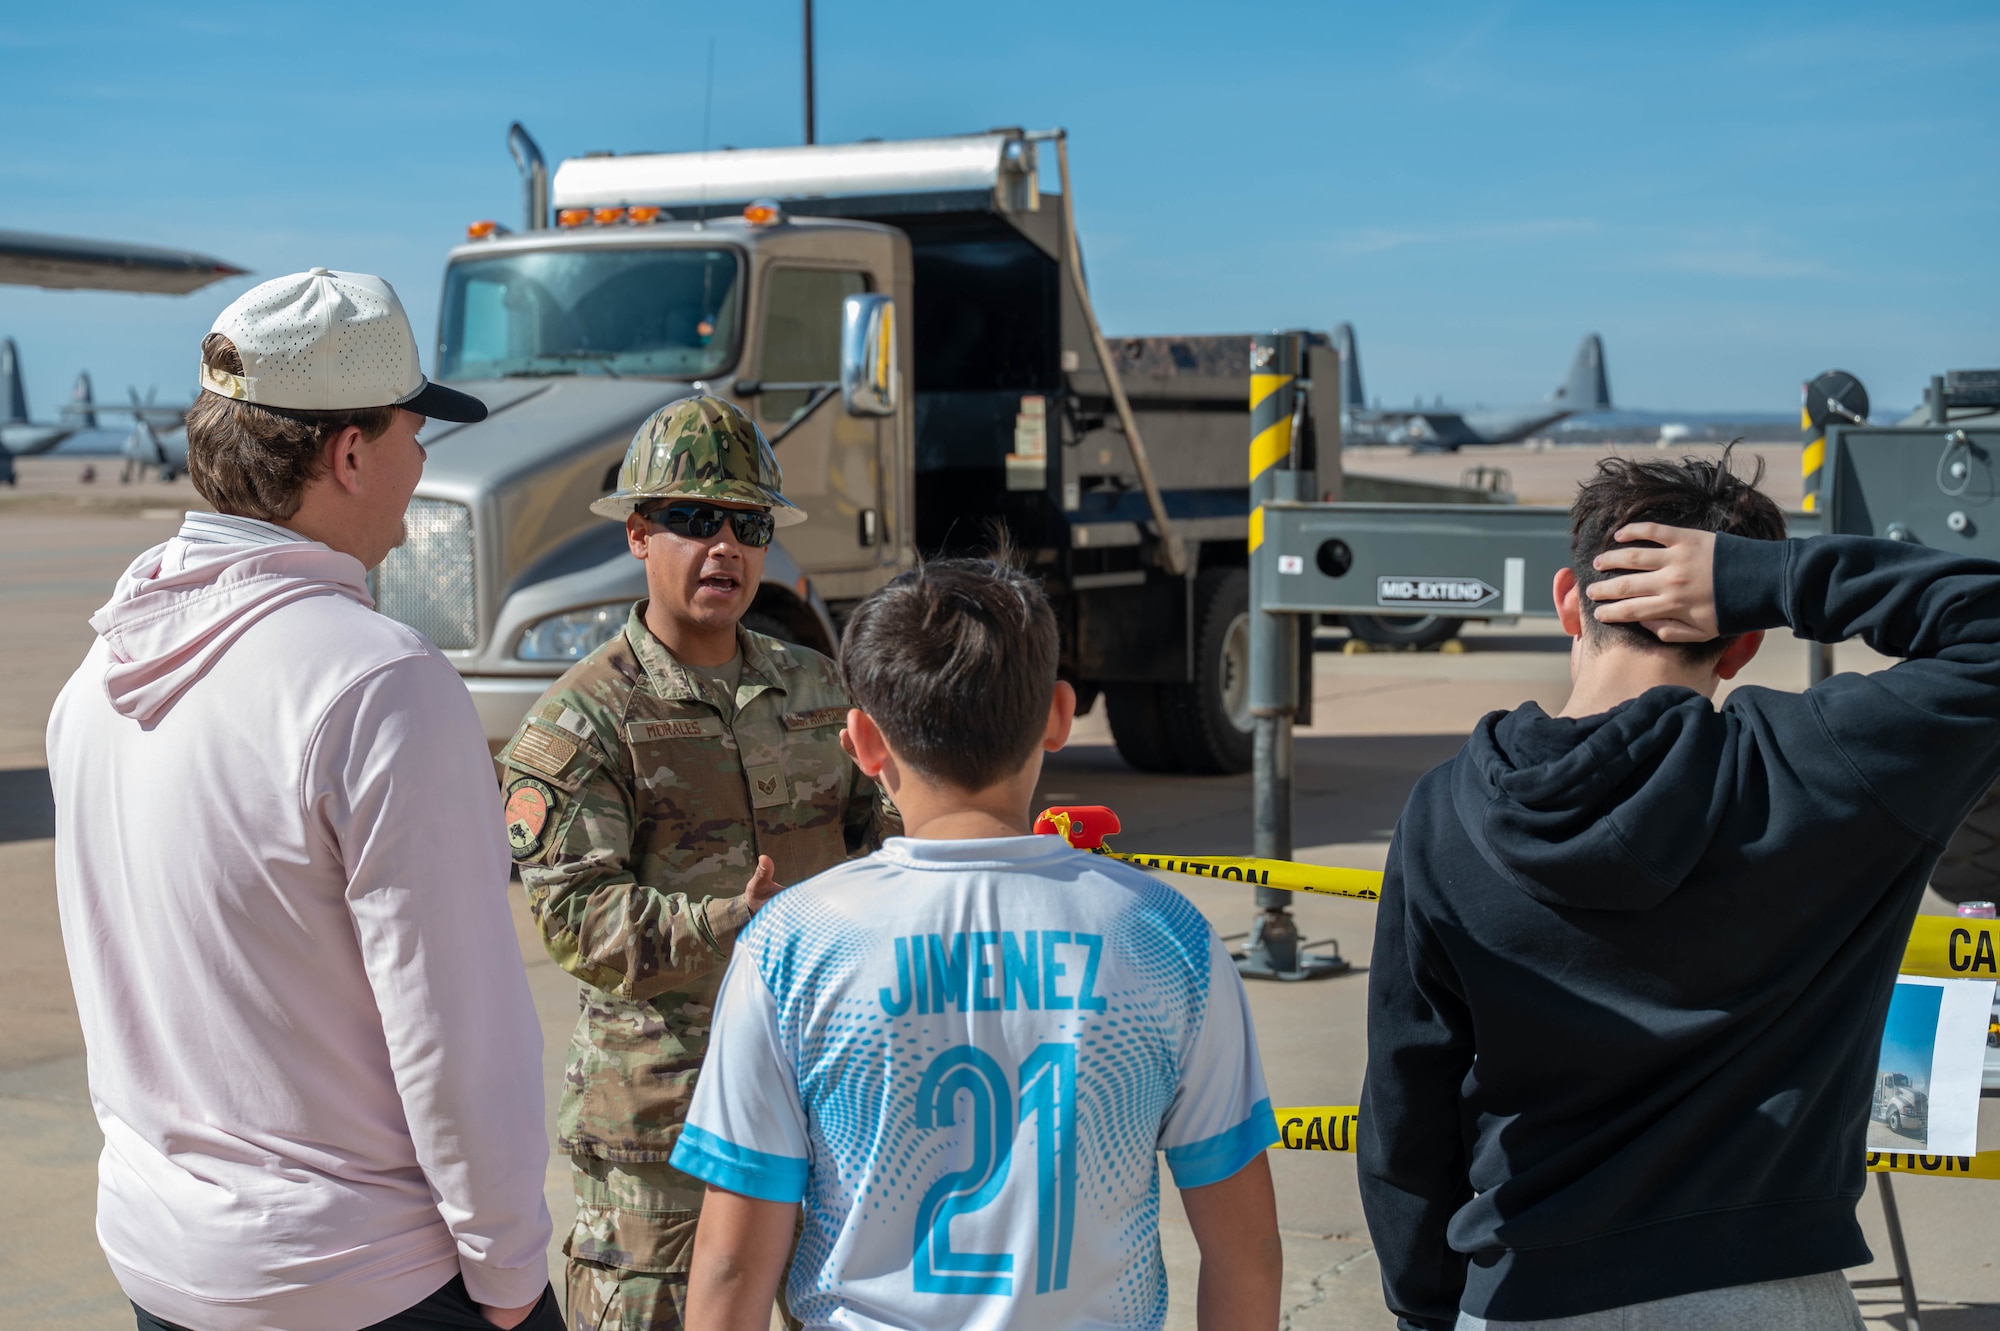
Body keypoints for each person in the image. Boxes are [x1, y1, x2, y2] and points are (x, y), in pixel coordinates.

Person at [1359, 450, 2000, 1330]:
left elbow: (1407, 1111)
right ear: (1744, 640)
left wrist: (1424, 1310)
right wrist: (1770, 577)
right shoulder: (1827, 771)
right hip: (1767, 1292)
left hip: (1522, 1294)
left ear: (1565, 601)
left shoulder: (1443, 813)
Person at [47, 268, 562, 1331]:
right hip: (360, 1274)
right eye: (415, 431)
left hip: (165, 1258)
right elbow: (456, 1034)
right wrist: (510, 1270)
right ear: (350, 450)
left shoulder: (93, 680)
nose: (423, 464)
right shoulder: (378, 684)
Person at [671, 557, 1286, 1330]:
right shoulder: (1165, 935)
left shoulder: (794, 941)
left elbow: (732, 1265)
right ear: (1059, 715)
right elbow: (1248, 1249)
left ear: (861, 741)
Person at [499, 395, 898, 1331]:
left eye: (748, 525)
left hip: (823, 1095)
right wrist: (732, 925)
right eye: (692, 520)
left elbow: (881, 829)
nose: (724, 547)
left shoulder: (812, 686)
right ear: (639, 534)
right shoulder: (581, 721)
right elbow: (577, 921)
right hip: (667, 1128)